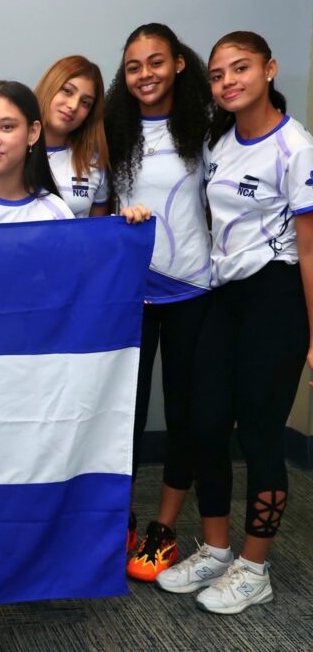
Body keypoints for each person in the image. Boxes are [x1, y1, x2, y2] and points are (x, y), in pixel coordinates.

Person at [0, 80, 150, 652]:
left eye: (7, 126)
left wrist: (123, 232)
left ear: (34, 133)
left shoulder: (52, 210)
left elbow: (71, 292)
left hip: (10, 384)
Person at [156, 31, 313, 614]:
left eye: (240, 69)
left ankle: (254, 566)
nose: (228, 82)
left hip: (276, 294)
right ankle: (218, 549)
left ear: (269, 69)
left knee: (261, 433)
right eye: (218, 74)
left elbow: (310, 249)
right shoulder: (219, 142)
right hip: (225, 296)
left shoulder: (295, 148)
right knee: (205, 423)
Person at [104, 23, 213, 579]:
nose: (145, 74)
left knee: (183, 411)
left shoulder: (205, 126)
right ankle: (117, 520)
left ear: (178, 64)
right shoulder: (111, 128)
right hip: (130, 294)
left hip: (193, 289)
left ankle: (164, 527)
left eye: (155, 62)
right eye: (133, 66)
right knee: (123, 411)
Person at [34, 55, 110, 218]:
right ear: (49, 88)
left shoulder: (94, 163)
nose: (73, 106)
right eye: (67, 91)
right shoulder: (11, 152)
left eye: (85, 103)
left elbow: (97, 231)